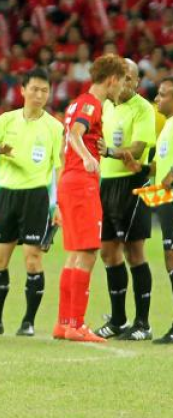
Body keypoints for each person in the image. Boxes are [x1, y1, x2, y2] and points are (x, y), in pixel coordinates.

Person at [0, 69, 64, 336]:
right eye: (34, 89)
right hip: (7, 196)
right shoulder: (6, 120)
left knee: (32, 260)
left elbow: (60, 168)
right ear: (22, 90)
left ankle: (28, 323)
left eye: (44, 90)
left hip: (36, 197)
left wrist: (59, 204)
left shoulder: (55, 127)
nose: (39, 95)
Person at [54, 54, 127, 343]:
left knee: (74, 253)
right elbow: (75, 134)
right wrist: (87, 157)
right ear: (112, 80)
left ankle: (63, 323)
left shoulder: (77, 102)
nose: (121, 87)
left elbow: (67, 140)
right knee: (87, 252)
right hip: (81, 183)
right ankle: (77, 325)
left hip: (69, 181)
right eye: (121, 81)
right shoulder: (91, 104)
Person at [94, 59, 156, 341]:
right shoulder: (106, 105)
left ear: (137, 82)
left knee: (135, 253)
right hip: (107, 183)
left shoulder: (143, 108)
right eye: (121, 77)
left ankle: (143, 324)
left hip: (133, 184)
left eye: (130, 78)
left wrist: (109, 151)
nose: (125, 82)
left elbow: (138, 149)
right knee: (108, 252)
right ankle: (118, 320)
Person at [150, 77, 173, 344]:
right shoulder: (167, 126)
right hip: (166, 200)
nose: (157, 99)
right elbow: (158, 165)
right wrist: (142, 168)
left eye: (163, 94)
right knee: (169, 257)